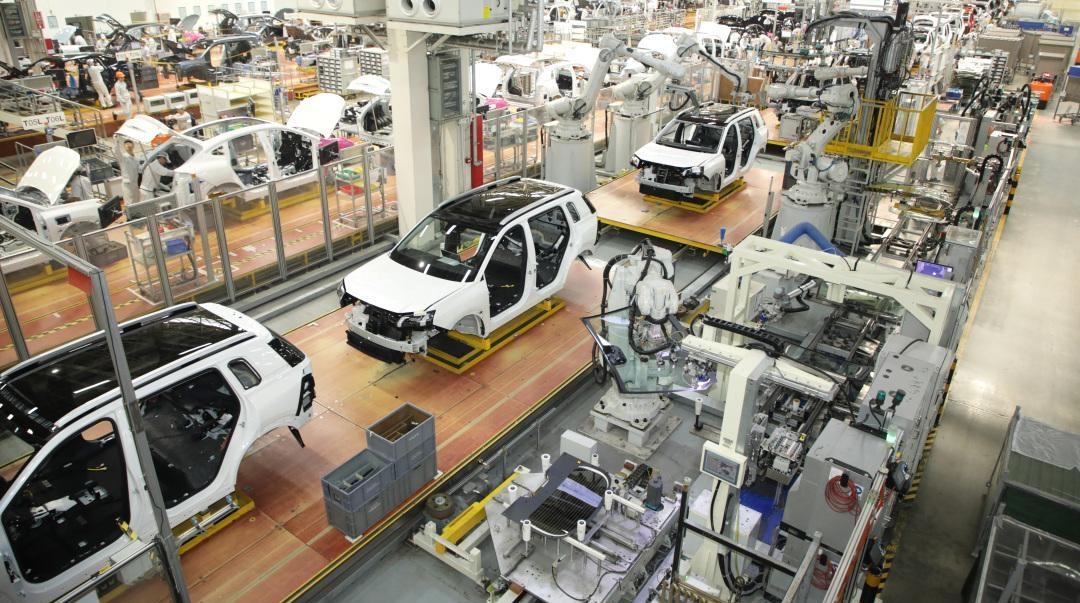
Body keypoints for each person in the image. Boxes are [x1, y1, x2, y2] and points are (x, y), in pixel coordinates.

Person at [119, 140, 140, 207]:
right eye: (126, 144)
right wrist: (116, 142)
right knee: (129, 203)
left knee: (137, 201)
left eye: (130, 144)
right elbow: (117, 152)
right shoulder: (123, 157)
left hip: (135, 183)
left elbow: (139, 170)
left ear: (133, 145)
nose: (128, 145)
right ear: (124, 147)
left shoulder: (136, 159)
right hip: (127, 184)